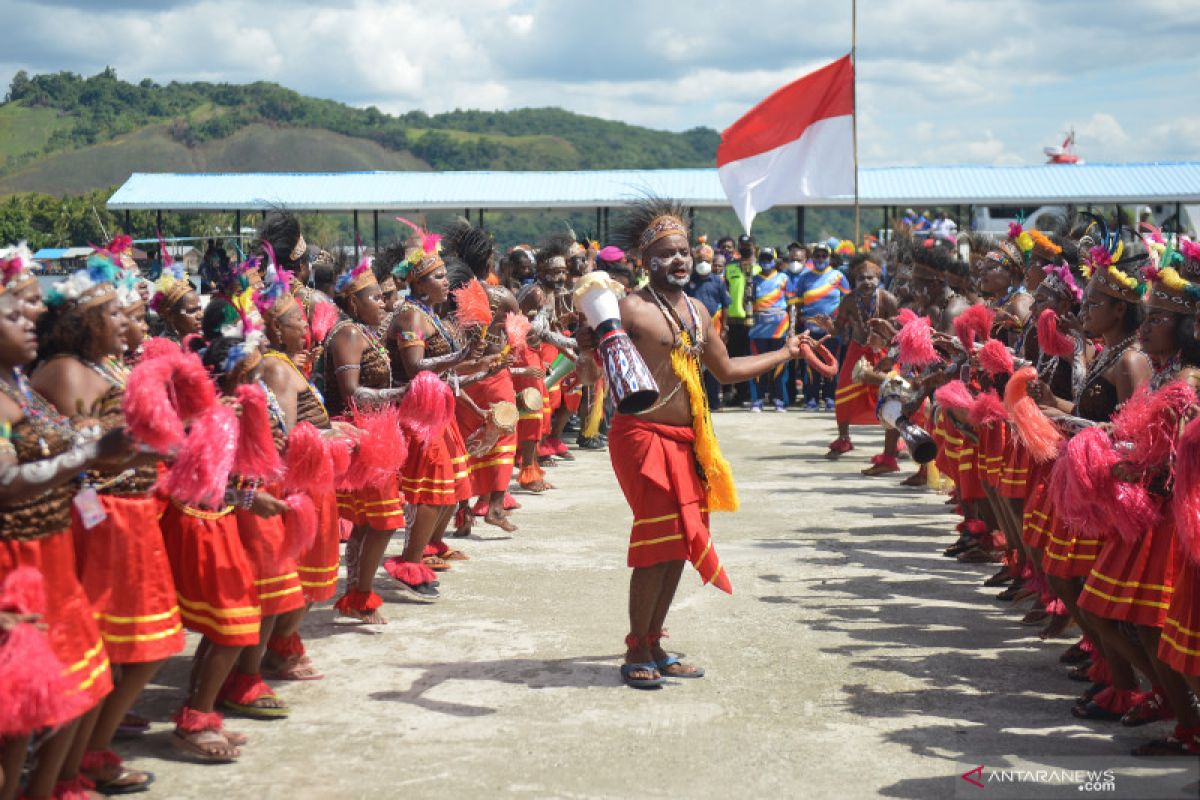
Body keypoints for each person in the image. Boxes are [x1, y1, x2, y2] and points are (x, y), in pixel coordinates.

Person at [576, 198, 805, 690]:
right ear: (645, 261)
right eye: (668, 253)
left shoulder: (699, 310)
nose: (680, 260)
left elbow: (727, 370)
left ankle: (655, 642)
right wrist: (587, 341)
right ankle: (636, 646)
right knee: (658, 538)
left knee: (679, 544)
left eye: (684, 251)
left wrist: (784, 353)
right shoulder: (627, 308)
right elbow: (596, 363)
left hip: (689, 439)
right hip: (640, 437)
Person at [32, 250, 181, 793]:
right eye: (113, 313)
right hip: (101, 523)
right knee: (101, 653)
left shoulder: (108, 368)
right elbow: (85, 450)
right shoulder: (67, 370)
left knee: (141, 650)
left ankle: (91, 751)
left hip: (132, 517)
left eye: (127, 311)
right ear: (82, 322)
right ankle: (71, 765)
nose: (127, 320)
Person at [324, 259, 408, 623]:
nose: (385, 304)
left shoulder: (363, 331)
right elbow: (352, 392)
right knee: (384, 521)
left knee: (369, 522)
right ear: (354, 303)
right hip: (357, 437)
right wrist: (403, 392)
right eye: (376, 298)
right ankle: (358, 594)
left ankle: (356, 592)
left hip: (374, 434)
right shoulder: (349, 334)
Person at [827, 254, 897, 457]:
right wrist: (828, 327)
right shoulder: (849, 300)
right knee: (843, 389)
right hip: (857, 349)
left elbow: (897, 332)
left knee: (892, 391)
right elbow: (838, 329)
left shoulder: (887, 299)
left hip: (882, 351)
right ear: (854, 280)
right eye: (861, 279)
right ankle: (843, 438)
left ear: (878, 278)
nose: (866, 282)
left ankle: (894, 442)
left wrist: (882, 341)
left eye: (870, 278)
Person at [792, 244, 849, 411]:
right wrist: (795, 324)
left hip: (832, 331)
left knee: (831, 364)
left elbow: (848, 301)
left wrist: (844, 325)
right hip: (810, 330)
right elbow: (797, 304)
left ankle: (830, 397)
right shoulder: (805, 277)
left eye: (824, 256)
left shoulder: (838, 276)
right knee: (811, 365)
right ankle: (811, 399)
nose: (820, 259)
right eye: (817, 256)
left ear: (829, 258)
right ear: (812, 258)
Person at [685, 240, 731, 410]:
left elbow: (726, 304)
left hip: (714, 328)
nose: (703, 264)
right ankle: (695, 401)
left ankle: (714, 401)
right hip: (692, 328)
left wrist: (725, 328)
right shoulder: (689, 280)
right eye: (700, 261)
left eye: (707, 261)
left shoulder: (718, 282)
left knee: (713, 364)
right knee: (694, 365)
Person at [747, 247, 791, 412]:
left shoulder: (783, 278)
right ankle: (757, 399)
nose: (766, 262)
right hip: (758, 329)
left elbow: (792, 305)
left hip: (779, 328)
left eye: (769, 258)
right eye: (763, 259)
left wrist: (791, 329)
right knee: (757, 365)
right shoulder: (753, 280)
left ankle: (779, 399)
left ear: (775, 260)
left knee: (779, 365)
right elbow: (748, 303)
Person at [723, 234, 755, 404]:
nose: (745, 248)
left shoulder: (759, 267)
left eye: (748, 246)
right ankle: (738, 394)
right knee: (734, 357)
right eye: (742, 245)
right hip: (734, 320)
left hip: (754, 321)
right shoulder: (730, 267)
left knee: (750, 357)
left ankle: (751, 395)